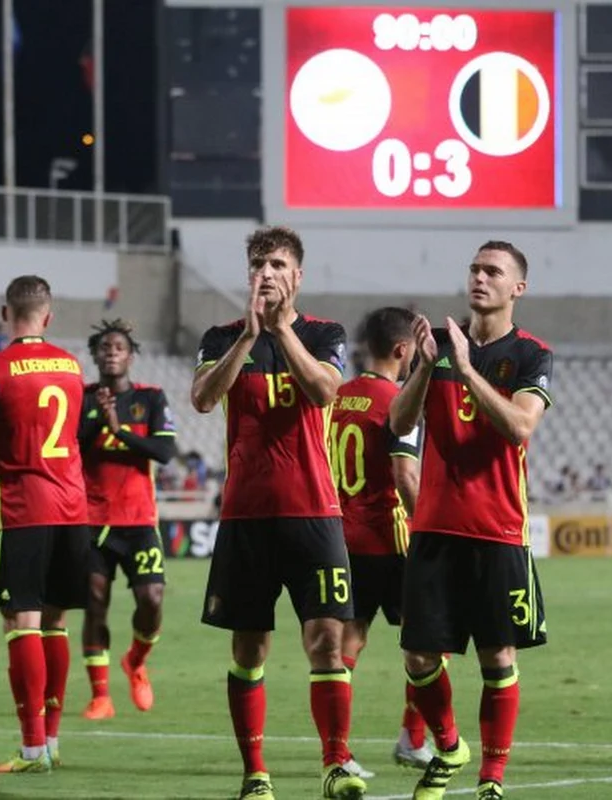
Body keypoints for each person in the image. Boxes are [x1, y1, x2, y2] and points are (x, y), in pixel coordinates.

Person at [191, 225, 363, 800]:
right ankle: (255, 774)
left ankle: (335, 765)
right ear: (249, 273)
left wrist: (283, 331)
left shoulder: (323, 333)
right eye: (259, 263)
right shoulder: (220, 336)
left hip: (313, 510)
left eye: (279, 263)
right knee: (248, 647)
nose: (267, 272)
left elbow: (323, 392)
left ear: (298, 275)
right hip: (246, 515)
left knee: (327, 641)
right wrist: (248, 337)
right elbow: (203, 397)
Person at [389, 241, 553, 800]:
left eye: (493, 271)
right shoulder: (440, 345)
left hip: (498, 527)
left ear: (517, 289)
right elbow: (397, 419)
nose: (480, 278)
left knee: (497, 656)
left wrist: (462, 368)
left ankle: (492, 778)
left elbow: (519, 427)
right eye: (475, 269)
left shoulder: (530, 355)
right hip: (434, 526)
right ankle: (450, 743)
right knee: (417, 656)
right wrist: (424, 362)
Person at [0, 275, 92, 774]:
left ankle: (30, 750)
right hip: (73, 508)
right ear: (48, 317)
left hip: (23, 510)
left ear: (6, 314)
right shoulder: (73, 367)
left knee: (20, 621)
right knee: (56, 622)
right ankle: (51, 742)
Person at [329, 307, 433, 773]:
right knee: (428, 640)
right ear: (402, 350)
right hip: (392, 540)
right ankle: (414, 738)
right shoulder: (401, 402)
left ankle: (340, 752)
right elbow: (405, 477)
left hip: (341, 539)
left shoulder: (334, 397)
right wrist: (429, 533)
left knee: (346, 644)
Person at [77, 319, 177, 719]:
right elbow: (73, 447)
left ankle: (136, 660)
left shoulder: (151, 399)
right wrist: (100, 421)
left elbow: (164, 452)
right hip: (92, 519)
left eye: (119, 346)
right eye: (104, 347)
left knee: (151, 600)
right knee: (94, 604)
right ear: (96, 356)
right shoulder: (82, 399)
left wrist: (118, 430)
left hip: (139, 522)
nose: (111, 352)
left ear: (131, 355)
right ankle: (100, 696)